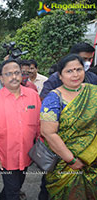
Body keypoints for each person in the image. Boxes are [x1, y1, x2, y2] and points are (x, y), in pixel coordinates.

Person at [40, 54, 97, 200]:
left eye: (78, 69)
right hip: (66, 165)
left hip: (93, 161)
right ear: (60, 75)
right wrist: (71, 160)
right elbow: (48, 133)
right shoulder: (53, 98)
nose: (75, 74)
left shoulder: (93, 92)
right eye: (69, 71)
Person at [0, 59, 41, 200]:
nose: (14, 77)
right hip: (5, 156)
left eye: (17, 73)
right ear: (2, 78)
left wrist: (42, 147)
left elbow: (39, 124)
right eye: (9, 74)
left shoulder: (33, 96)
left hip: (27, 154)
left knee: (16, 186)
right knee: (13, 192)